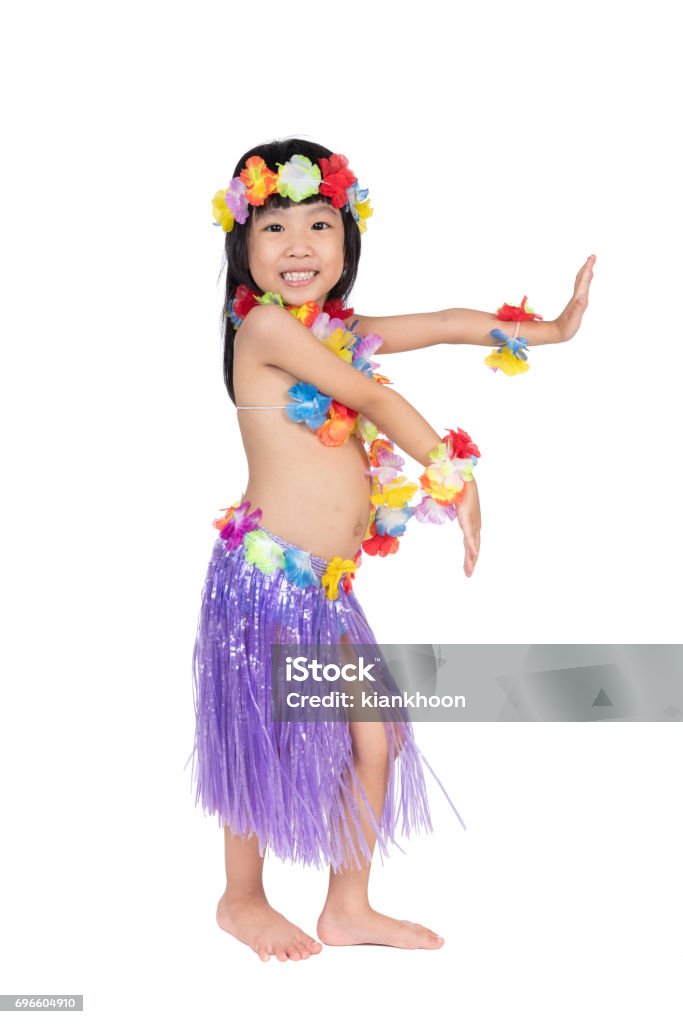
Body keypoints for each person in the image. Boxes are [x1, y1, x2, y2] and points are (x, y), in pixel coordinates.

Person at [187, 137, 596, 962]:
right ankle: (240, 897)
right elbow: (370, 396)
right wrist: (456, 474)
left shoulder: (334, 332)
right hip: (265, 577)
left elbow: (444, 324)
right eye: (273, 228)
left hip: (326, 587)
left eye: (319, 224)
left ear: (348, 240)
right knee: (260, 732)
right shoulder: (265, 328)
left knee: (378, 736)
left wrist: (549, 329)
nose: (298, 245)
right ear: (242, 245)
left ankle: (347, 906)